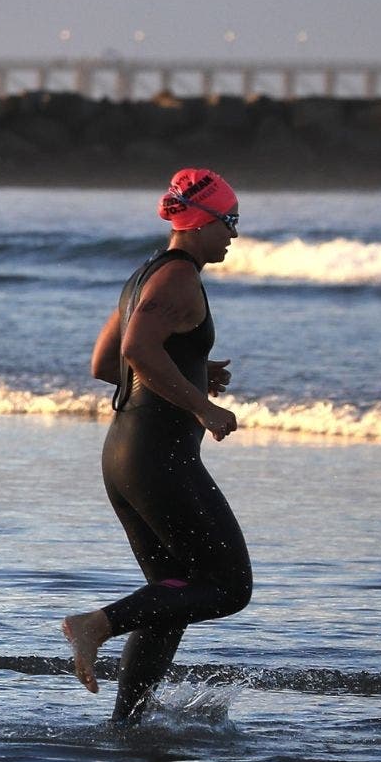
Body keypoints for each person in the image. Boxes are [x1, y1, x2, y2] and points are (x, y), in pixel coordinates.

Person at [63, 168, 251, 724]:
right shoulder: (179, 279)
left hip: (125, 454)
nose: (234, 235)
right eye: (230, 221)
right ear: (200, 220)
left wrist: (194, 367)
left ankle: (128, 726)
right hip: (158, 457)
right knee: (227, 586)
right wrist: (202, 406)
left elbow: (106, 362)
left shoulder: (146, 275)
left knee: (170, 596)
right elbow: (140, 350)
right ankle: (94, 624)